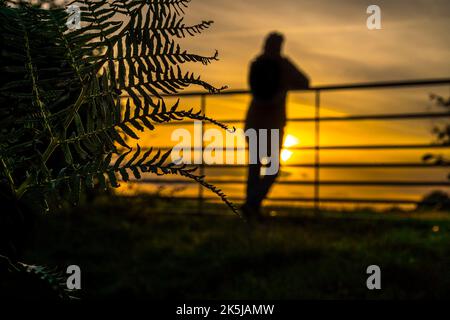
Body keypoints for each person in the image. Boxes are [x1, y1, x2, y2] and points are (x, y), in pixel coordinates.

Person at [242, 32, 310, 220]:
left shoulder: (255, 64)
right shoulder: (284, 65)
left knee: (255, 167)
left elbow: (253, 89)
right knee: (272, 168)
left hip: (254, 121)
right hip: (273, 123)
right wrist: (286, 85)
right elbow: (306, 83)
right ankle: (251, 205)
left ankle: (251, 207)